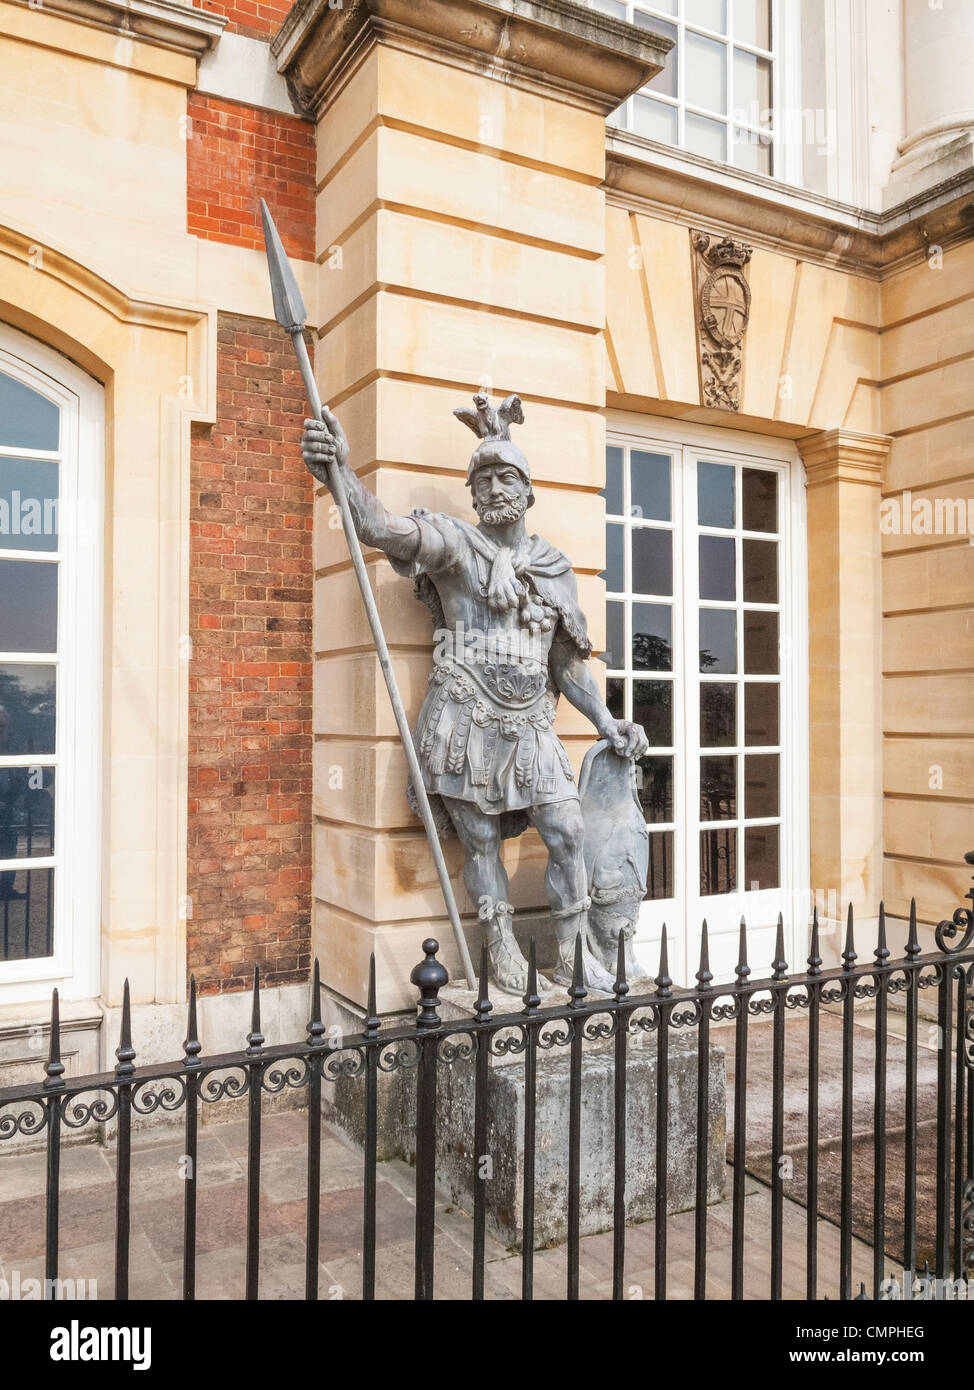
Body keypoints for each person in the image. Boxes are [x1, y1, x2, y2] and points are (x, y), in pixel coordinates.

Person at [303, 393, 648, 992]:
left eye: (504, 476)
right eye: (481, 479)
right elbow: (379, 527)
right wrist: (340, 471)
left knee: (566, 828)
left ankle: (570, 951)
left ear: (528, 489)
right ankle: (502, 948)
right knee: (480, 841)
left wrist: (605, 722)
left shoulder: (552, 566)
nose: (491, 489)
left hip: (532, 724)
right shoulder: (454, 544)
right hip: (464, 715)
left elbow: (567, 666)